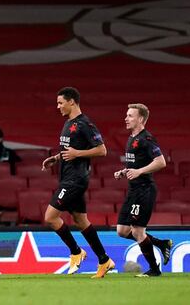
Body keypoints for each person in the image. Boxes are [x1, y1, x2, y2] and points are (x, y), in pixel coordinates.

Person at [40, 87, 115, 278]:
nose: (58, 107)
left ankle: (75, 252)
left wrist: (77, 154)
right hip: (67, 176)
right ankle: (104, 260)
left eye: (60, 103)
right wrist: (57, 158)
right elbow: (69, 149)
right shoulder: (68, 124)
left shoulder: (85, 124)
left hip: (75, 180)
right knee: (81, 221)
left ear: (71, 101)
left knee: (50, 217)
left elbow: (102, 150)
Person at [113, 103, 173, 277]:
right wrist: (125, 171)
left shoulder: (147, 138)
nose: (126, 118)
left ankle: (154, 269)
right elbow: (137, 163)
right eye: (127, 115)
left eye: (130, 116)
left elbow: (161, 162)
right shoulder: (132, 138)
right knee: (122, 231)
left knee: (138, 231)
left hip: (144, 190)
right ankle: (161, 244)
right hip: (133, 190)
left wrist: (139, 171)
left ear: (140, 119)